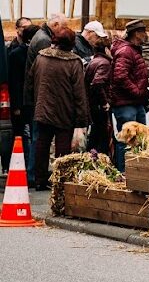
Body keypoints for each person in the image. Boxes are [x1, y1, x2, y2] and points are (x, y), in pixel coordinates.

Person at [26, 27, 89, 190]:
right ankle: (60, 181)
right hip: (64, 112)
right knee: (62, 148)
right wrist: (82, 119)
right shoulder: (73, 62)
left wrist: (33, 103)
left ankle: (39, 180)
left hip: (42, 109)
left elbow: (30, 81)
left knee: (42, 144)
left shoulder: (41, 57)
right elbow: (79, 93)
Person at [23, 13, 69, 184]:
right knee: (39, 139)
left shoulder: (42, 36)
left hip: (39, 97)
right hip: (42, 99)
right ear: (55, 24)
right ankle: (34, 176)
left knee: (39, 138)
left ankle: (35, 175)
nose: (64, 30)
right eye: (63, 26)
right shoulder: (44, 40)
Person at [110, 19, 149, 171]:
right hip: (126, 103)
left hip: (134, 103)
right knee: (126, 140)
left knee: (139, 139)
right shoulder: (126, 51)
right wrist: (137, 91)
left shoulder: (133, 49)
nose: (145, 35)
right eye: (143, 32)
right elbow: (120, 76)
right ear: (136, 34)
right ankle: (124, 172)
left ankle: (135, 172)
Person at [7, 24, 39, 175]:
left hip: (29, 100)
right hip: (23, 100)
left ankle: (27, 165)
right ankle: (23, 163)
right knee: (23, 134)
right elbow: (15, 82)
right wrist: (17, 105)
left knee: (28, 134)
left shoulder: (27, 53)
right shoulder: (16, 54)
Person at [85, 36, 113, 156]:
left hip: (91, 104)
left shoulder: (94, 61)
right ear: (106, 49)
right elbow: (98, 82)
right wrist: (104, 102)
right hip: (98, 106)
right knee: (101, 137)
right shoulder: (105, 63)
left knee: (95, 135)